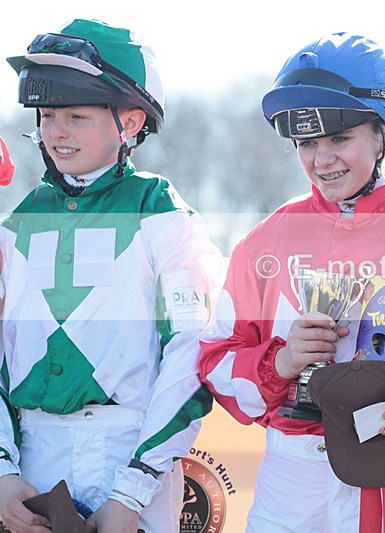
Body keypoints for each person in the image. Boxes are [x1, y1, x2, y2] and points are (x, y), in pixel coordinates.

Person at [198, 32, 385, 532]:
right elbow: (214, 360)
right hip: (293, 492)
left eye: (340, 138)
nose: (322, 160)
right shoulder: (266, 240)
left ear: (384, 135)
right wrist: (284, 360)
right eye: (307, 143)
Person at [0, 19, 223, 533]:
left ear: (130, 120)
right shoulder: (18, 223)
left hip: (130, 457)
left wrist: (133, 490)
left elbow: (191, 354)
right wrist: (5, 472)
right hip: (31, 463)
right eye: (48, 115)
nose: (56, 132)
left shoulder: (163, 214)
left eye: (77, 116)